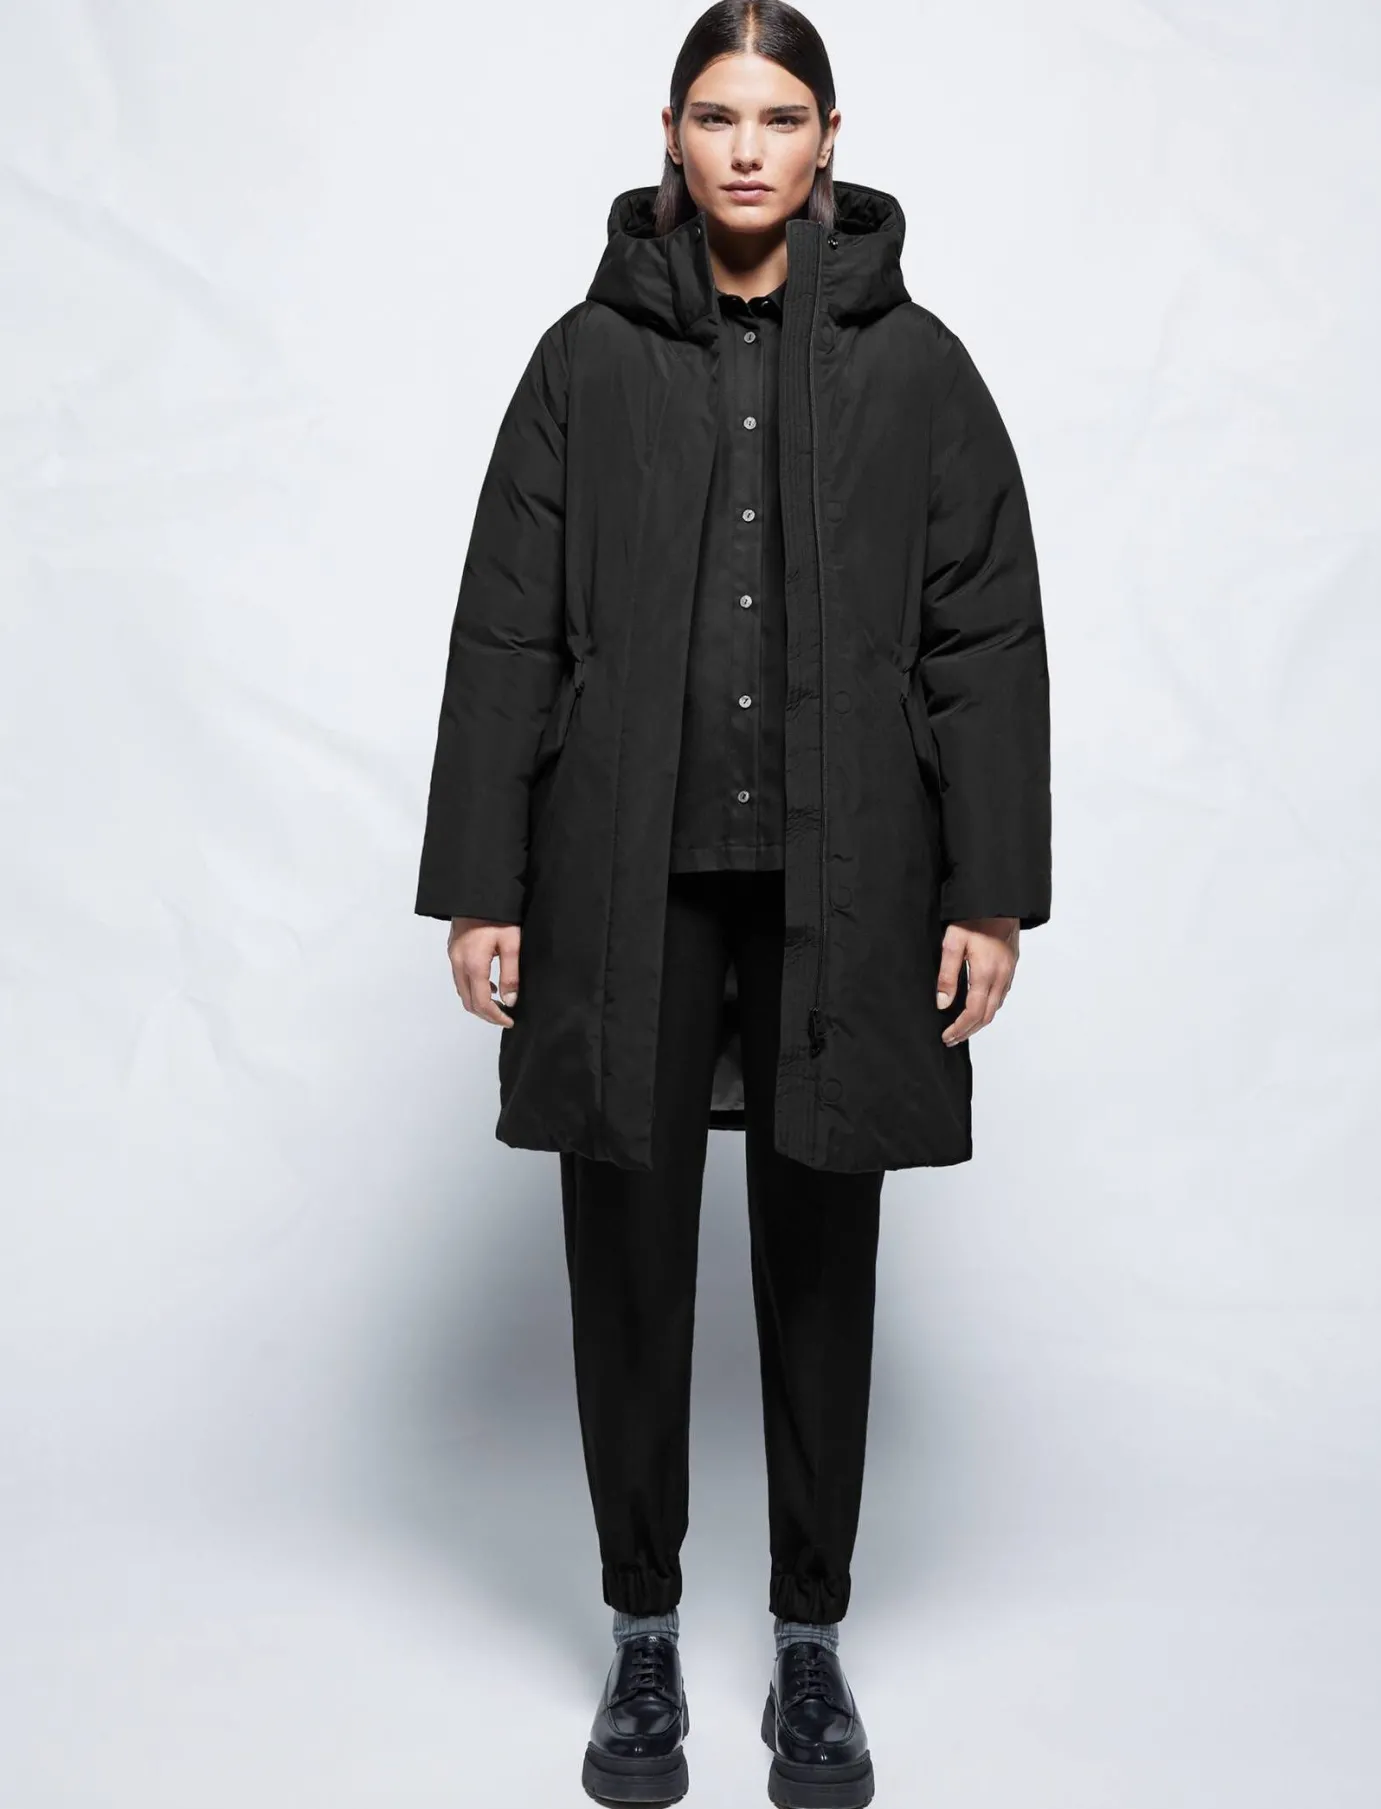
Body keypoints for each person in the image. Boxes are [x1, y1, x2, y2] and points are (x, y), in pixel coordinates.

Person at [413, 4, 1051, 1802]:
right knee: (623, 1250)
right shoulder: (583, 362)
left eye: (779, 116)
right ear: (673, 134)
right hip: (625, 873)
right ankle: (641, 1636)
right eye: (717, 115)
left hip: (852, 879)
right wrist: (484, 885)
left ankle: (808, 1643)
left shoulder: (919, 371)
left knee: (821, 1255)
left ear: (831, 135)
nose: (749, 148)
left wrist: (991, 891)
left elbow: (984, 634)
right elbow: (507, 631)